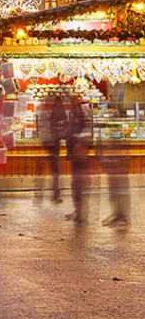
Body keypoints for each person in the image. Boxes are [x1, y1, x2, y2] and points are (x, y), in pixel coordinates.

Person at [65, 96, 89, 225]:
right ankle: (78, 210)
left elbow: (84, 132)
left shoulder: (81, 118)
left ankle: (80, 212)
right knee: (75, 184)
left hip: (79, 153)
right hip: (75, 153)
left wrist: (76, 140)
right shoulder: (74, 116)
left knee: (78, 184)